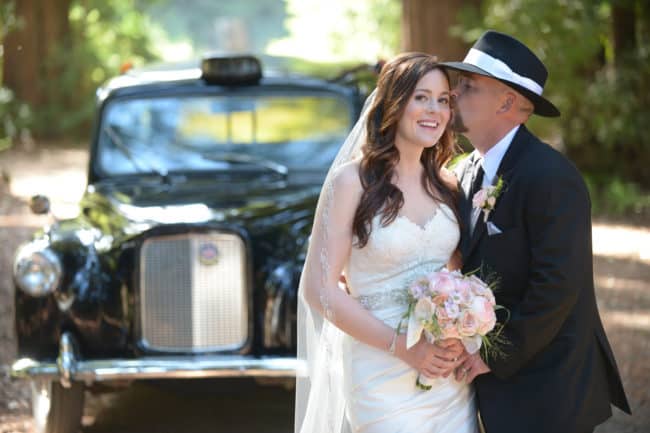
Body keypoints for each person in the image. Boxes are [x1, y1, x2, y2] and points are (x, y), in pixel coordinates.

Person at [439, 30, 631, 433]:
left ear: (508, 102)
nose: (454, 95)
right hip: (491, 388)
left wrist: (494, 355)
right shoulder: (462, 172)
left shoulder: (551, 177)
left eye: (469, 86)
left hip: (549, 387)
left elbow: (558, 284)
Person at [295, 52, 479, 433]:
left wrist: (462, 332)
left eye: (443, 100)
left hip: (444, 374)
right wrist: (407, 349)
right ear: (394, 104)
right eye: (421, 97)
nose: (435, 110)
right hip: (379, 369)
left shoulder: (447, 185)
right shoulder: (352, 182)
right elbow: (319, 290)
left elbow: (459, 272)